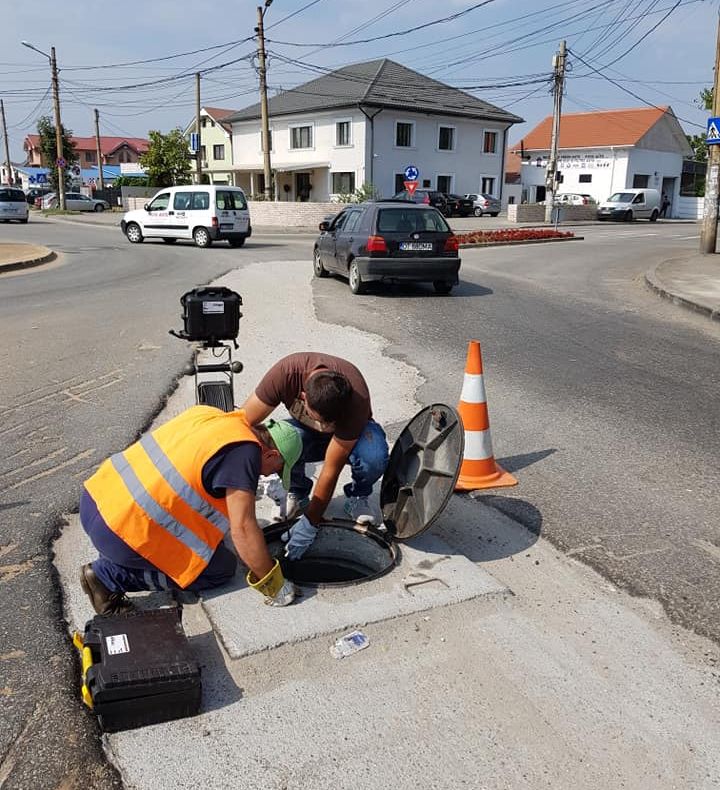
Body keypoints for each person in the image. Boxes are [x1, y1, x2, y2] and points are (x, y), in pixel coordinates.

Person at [79, 404, 302, 615]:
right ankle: (109, 576)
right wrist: (274, 585)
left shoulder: (213, 417)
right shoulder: (246, 454)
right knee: (221, 569)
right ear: (271, 455)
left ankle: (120, 557)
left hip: (96, 500)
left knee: (210, 546)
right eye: (277, 469)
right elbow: (243, 528)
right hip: (121, 533)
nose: (267, 475)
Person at [241, 352, 389, 561]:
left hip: (348, 437)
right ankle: (297, 493)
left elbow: (331, 468)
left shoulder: (356, 398)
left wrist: (311, 522)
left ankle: (358, 496)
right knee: (283, 442)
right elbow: (242, 425)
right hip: (304, 432)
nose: (324, 428)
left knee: (373, 456)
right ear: (303, 397)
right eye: (319, 419)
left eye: (329, 422)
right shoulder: (284, 375)